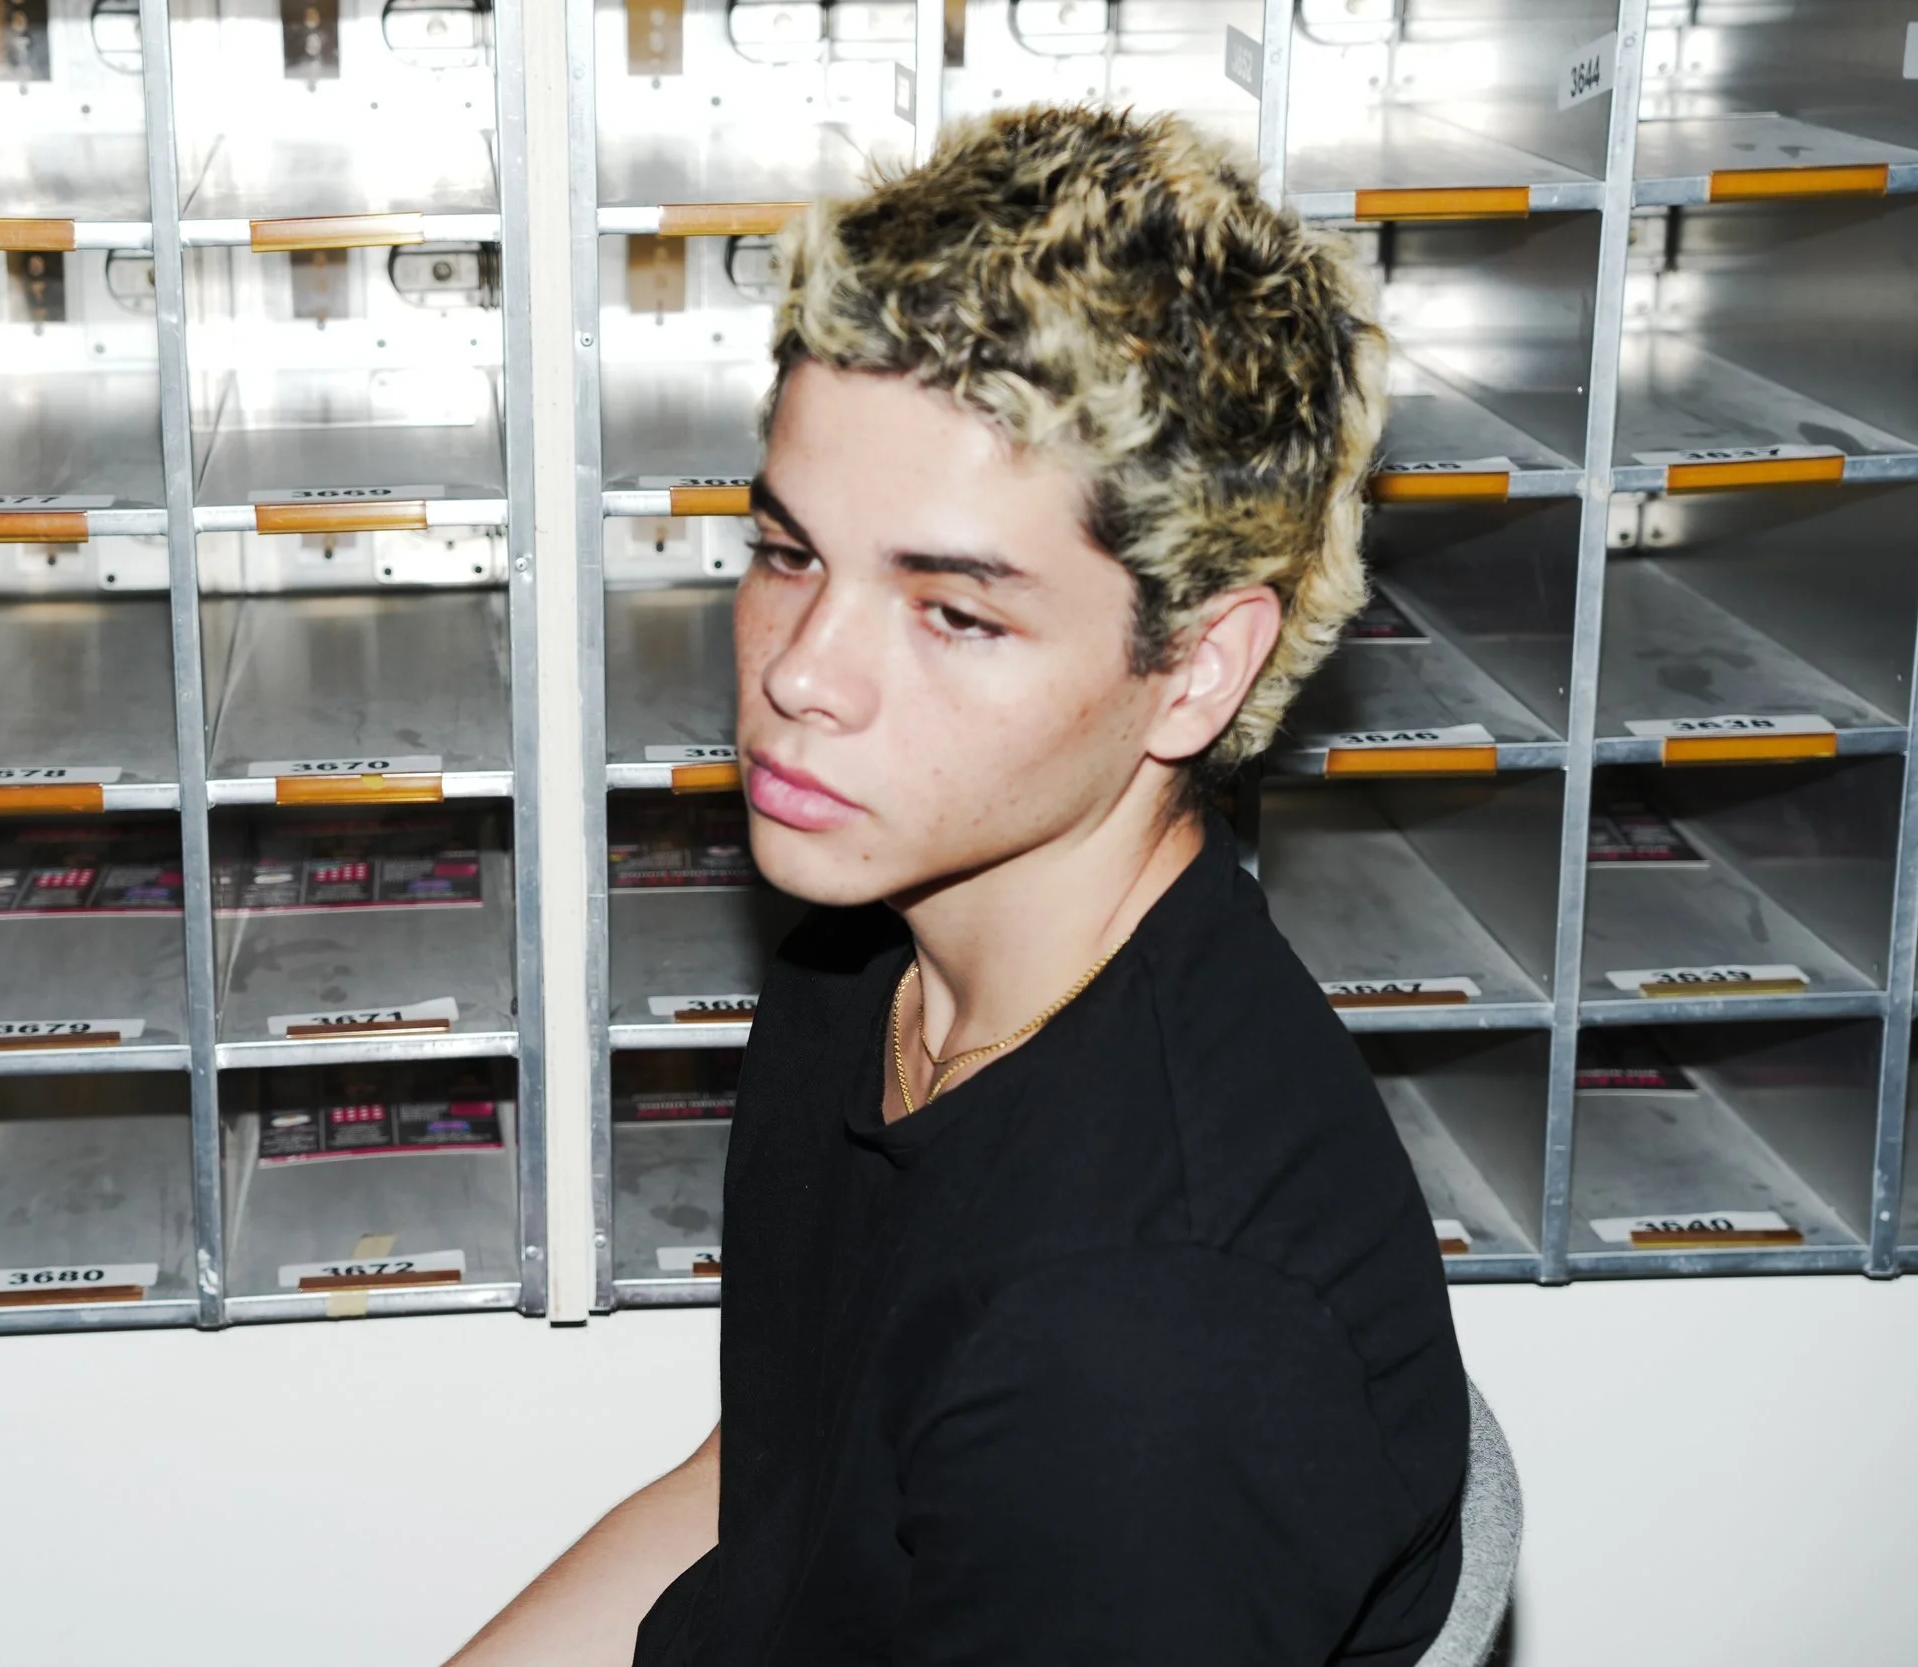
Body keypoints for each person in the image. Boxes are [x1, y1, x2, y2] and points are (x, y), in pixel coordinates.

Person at [451, 103, 1468, 1665]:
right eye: (789, 552)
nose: (801, 674)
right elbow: (761, 1487)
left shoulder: (1154, 1356)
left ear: (1198, 668)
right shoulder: (871, 954)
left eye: (955, 613)